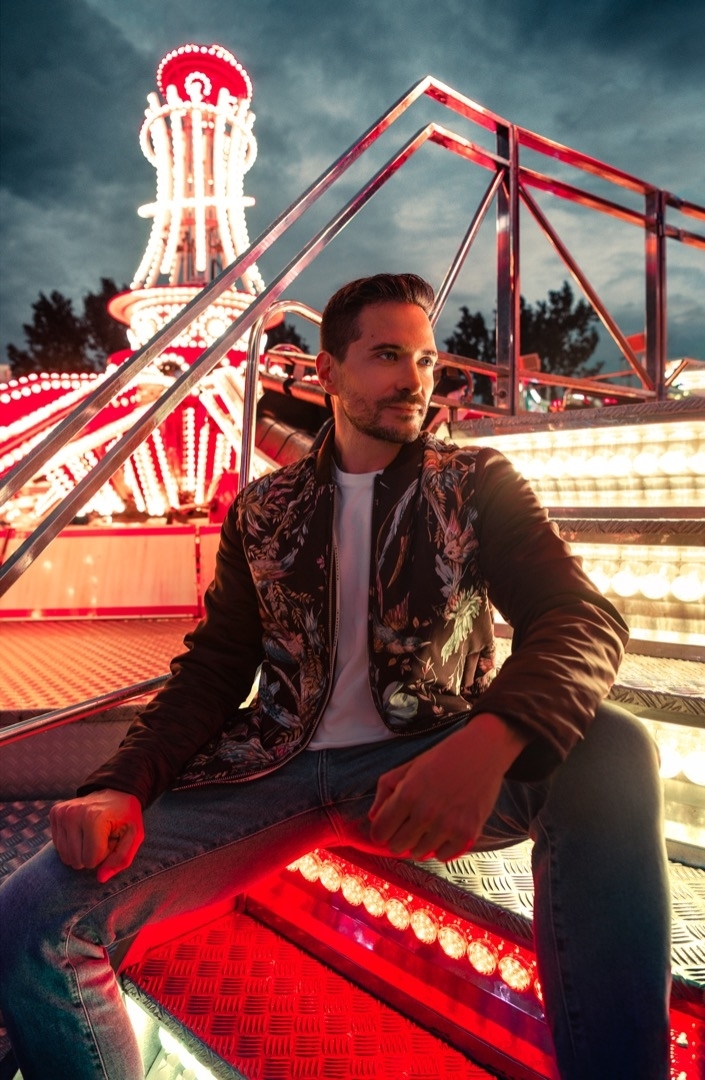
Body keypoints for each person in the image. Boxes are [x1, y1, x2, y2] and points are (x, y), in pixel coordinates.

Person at [0, 274, 670, 1080]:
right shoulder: (262, 509)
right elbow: (212, 670)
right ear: (326, 372)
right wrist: (121, 783)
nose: (413, 379)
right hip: (275, 767)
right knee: (30, 920)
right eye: (386, 355)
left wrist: (487, 742)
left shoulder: (474, 483)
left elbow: (579, 617)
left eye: (424, 359)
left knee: (612, 751)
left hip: (423, 755)